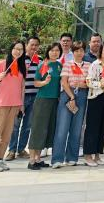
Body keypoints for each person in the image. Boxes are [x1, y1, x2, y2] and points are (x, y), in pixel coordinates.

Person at [0, 40, 26, 171]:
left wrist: (21, 104)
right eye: (16, 48)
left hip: (14, 104)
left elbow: (22, 87)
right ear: (11, 49)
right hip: (1, 104)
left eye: (21, 49)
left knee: (7, 135)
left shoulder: (22, 67)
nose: (18, 51)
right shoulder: (2, 64)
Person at [52, 41, 90, 167]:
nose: (79, 53)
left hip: (82, 96)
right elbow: (64, 82)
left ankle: (72, 157)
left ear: (84, 52)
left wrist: (84, 85)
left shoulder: (88, 65)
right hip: (68, 95)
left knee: (77, 128)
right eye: (76, 51)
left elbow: (90, 82)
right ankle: (57, 159)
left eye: (81, 50)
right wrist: (72, 96)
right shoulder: (67, 64)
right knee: (62, 128)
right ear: (73, 52)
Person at [27, 42, 63, 170]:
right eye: (52, 50)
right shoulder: (43, 65)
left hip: (55, 101)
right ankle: (32, 160)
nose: (54, 53)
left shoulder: (59, 65)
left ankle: (38, 158)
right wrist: (45, 82)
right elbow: (36, 83)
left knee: (47, 129)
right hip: (43, 100)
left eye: (57, 50)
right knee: (38, 129)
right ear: (48, 51)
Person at [83, 41, 104, 166]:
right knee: (92, 127)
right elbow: (88, 81)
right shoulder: (95, 64)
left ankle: (97, 155)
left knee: (103, 127)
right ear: (101, 51)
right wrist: (99, 84)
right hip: (96, 97)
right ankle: (88, 156)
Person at [7, 35, 40, 161]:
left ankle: (21, 149)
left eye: (36, 45)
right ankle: (11, 150)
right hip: (20, 96)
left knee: (28, 125)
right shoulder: (20, 59)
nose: (34, 47)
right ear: (26, 45)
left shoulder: (40, 60)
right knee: (15, 124)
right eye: (32, 44)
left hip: (35, 96)